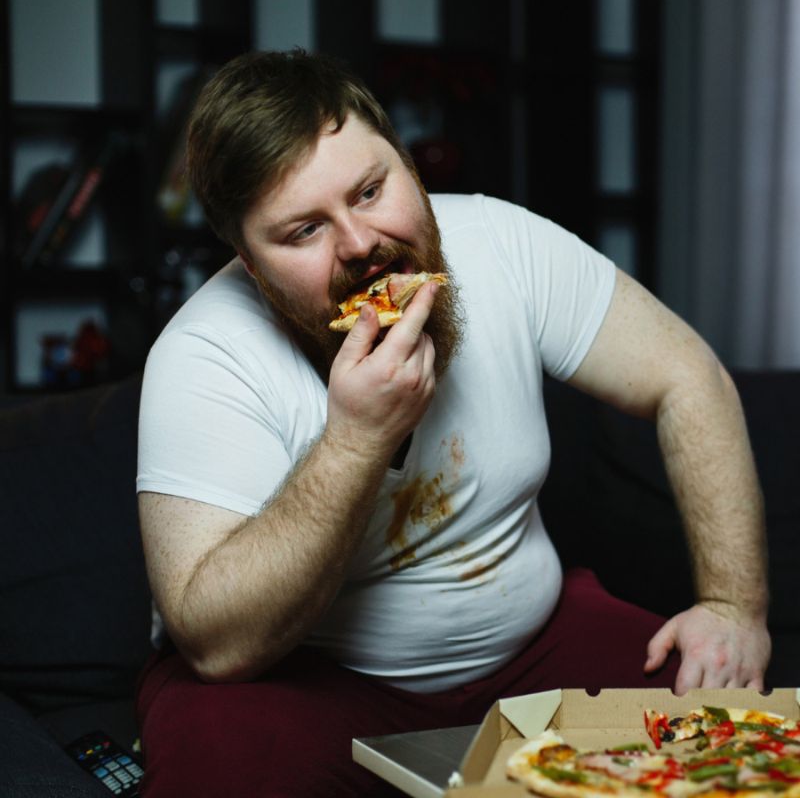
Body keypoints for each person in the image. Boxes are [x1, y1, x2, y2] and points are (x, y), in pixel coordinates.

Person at [135, 50, 770, 796]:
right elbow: (215, 646)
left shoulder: (502, 243)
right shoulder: (201, 354)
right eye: (304, 230)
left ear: (407, 163)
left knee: (737, 751)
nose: (361, 244)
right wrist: (355, 439)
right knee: (215, 760)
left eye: (371, 190)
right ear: (248, 258)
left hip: (538, 656)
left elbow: (687, 375)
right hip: (317, 687)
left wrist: (733, 605)